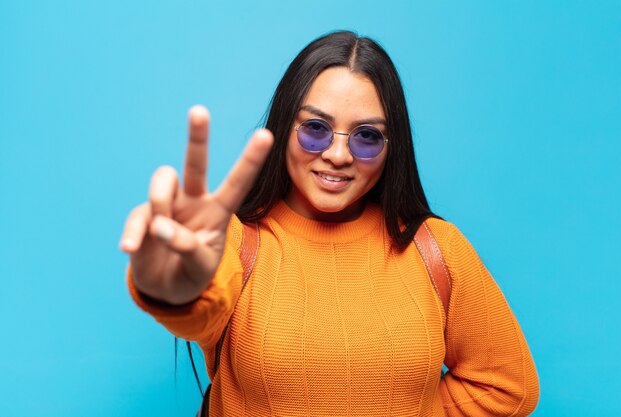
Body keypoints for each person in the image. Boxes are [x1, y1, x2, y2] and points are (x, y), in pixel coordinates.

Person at [120, 31, 540, 416]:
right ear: (285, 127)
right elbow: (198, 312)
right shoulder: (236, 241)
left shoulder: (435, 247)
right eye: (316, 129)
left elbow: (508, 387)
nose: (339, 155)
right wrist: (174, 290)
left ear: (392, 147)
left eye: (367, 136)